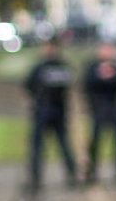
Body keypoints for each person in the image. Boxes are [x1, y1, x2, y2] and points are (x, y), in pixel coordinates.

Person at [25, 38, 77, 189]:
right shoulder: (39, 67)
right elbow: (28, 85)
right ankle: (35, 178)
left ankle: (71, 174)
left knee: (63, 144)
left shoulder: (61, 67)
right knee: (37, 147)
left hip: (57, 111)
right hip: (41, 110)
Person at [82, 42, 116, 185]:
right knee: (95, 142)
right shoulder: (92, 67)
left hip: (114, 109)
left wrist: (113, 68)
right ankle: (92, 170)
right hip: (98, 109)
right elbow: (87, 84)